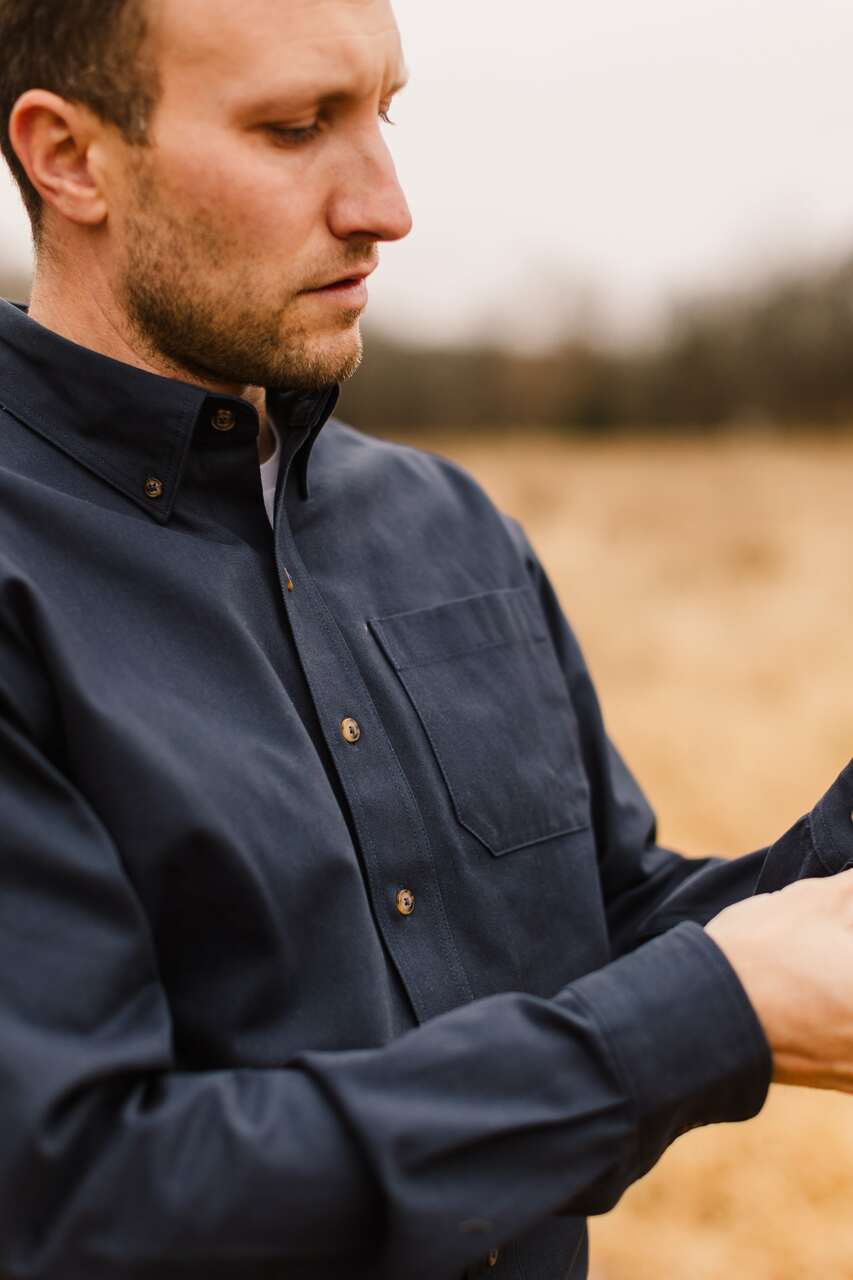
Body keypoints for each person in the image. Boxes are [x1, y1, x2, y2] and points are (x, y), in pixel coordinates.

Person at [0, 1, 852, 1277]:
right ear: (70, 157)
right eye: (296, 128)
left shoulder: (446, 525)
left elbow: (601, 928)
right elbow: (92, 1197)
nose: (386, 206)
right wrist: (706, 1015)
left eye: (382, 114)